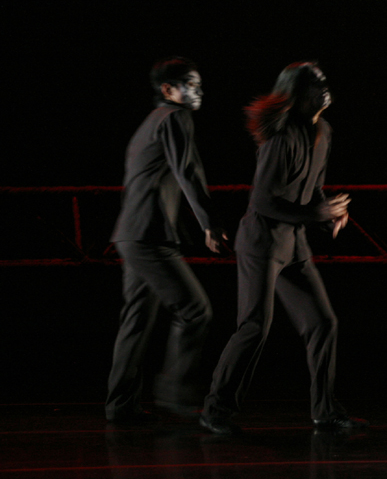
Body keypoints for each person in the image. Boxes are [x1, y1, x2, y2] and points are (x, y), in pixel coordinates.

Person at [201, 62, 364, 435]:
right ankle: (216, 409)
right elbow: (262, 201)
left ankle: (325, 411)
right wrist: (315, 213)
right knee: (255, 326)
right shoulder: (282, 137)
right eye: (314, 84)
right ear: (297, 95)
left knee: (322, 323)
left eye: (324, 80)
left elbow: (313, 188)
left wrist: (327, 215)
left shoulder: (323, 130)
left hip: (293, 243)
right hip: (261, 242)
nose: (323, 87)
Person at [107, 57, 227, 424]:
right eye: (191, 84)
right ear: (168, 89)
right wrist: (209, 223)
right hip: (147, 236)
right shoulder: (174, 117)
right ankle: (175, 397)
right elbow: (187, 171)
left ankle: (120, 405)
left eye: (199, 84)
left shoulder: (152, 121)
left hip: (134, 234)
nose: (199, 91)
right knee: (195, 310)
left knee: (136, 319)